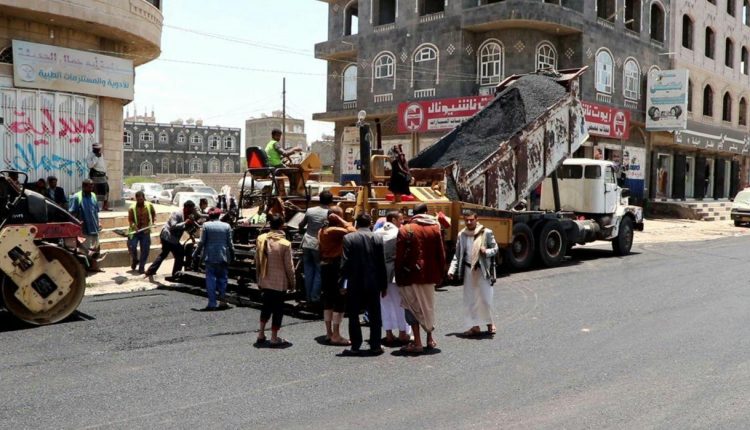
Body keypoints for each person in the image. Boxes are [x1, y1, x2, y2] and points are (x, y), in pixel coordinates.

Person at [395, 203, 446, 354]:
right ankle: (430, 339)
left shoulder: (405, 229)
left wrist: (398, 276)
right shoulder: (435, 229)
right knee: (427, 307)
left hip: (410, 276)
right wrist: (441, 274)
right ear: (426, 212)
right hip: (430, 276)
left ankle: (417, 342)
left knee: (412, 308)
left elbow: (398, 257)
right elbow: (441, 255)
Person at [340, 213, 388, 356]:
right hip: (373, 282)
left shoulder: (348, 238)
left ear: (356, 223)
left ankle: (355, 345)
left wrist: (342, 283)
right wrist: (384, 285)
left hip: (355, 282)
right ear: (370, 223)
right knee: (375, 314)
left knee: (353, 315)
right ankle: (375, 345)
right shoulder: (378, 238)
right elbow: (382, 264)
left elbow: (345, 263)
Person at [447, 210, 499, 337]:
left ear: (476, 219)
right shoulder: (462, 235)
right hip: (468, 270)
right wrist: (451, 270)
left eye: (471, 219)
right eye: (466, 220)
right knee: (470, 299)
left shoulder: (486, 232)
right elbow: (458, 254)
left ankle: (489, 323)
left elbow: (496, 249)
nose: (469, 222)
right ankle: (475, 326)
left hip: (482, 270)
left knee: (486, 298)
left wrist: (486, 251)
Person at [255, 214, 295, 347]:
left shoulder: (261, 239)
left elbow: (257, 261)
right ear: (282, 225)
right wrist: (292, 282)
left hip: (264, 278)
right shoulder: (285, 244)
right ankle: (274, 337)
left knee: (266, 306)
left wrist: (258, 278)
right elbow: (289, 266)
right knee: (278, 309)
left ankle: (261, 333)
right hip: (280, 282)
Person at [318, 206, 356, 346]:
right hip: (336, 267)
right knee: (340, 300)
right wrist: (340, 219)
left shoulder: (323, 230)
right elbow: (353, 232)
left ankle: (329, 333)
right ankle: (336, 334)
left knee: (328, 299)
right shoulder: (335, 230)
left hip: (326, 266)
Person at [374, 211, 412, 346]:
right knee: (400, 303)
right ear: (394, 220)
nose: (402, 222)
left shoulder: (376, 233)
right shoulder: (399, 233)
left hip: (379, 274)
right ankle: (403, 333)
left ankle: (388, 334)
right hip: (395, 273)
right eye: (401, 220)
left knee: (384, 304)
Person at [192, 208, 235, 311]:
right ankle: (222, 300)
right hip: (223, 256)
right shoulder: (226, 226)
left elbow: (201, 242)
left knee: (210, 279)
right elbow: (230, 244)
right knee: (223, 279)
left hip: (210, 257)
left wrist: (195, 254)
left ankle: (212, 303)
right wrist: (233, 255)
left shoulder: (206, 226)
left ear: (210, 216)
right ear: (219, 216)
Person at [145, 200, 198, 280]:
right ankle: (176, 274)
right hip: (167, 236)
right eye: (190, 209)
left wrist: (191, 234)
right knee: (179, 254)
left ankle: (151, 270)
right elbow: (173, 226)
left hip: (174, 239)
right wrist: (185, 223)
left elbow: (186, 228)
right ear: (186, 208)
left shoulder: (187, 215)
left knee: (164, 254)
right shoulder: (177, 213)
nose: (191, 211)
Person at [298, 190, 333, 305]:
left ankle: (308, 297)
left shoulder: (310, 210)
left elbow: (301, 225)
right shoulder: (330, 213)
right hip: (318, 244)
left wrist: (302, 230)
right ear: (331, 201)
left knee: (308, 271)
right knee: (318, 271)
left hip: (307, 243)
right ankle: (315, 297)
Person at [69, 179, 102, 271]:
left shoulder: (94, 196)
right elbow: (72, 214)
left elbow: (95, 211)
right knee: (84, 250)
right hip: (84, 230)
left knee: (95, 249)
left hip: (94, 228)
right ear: (84, 186)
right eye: (89, 186)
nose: (91, 188)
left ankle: (94, 267)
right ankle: (84, 270)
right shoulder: (76, 197)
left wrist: (99, 222)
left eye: (92, 186)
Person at [127, 191, 156, 274]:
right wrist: (134, 226)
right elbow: (130, 219)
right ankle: (135, 260)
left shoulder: (149, 205)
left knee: (145, 250)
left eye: (141, 199)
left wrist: (154, 221)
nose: (140, 201)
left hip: (145, 231)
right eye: (138, 199)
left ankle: (141, 267)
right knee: (132, 246)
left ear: (144, 198)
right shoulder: (132, 208)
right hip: (135, 232)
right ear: (136, 199)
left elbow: (154, 213)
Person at [87, 142, 111, 211]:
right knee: (95, 192)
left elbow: (103, 165)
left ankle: (105, 206)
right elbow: (89, 166)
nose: (98, 150)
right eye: (97, 149)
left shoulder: (101, 155)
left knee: (106, 190)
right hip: (95, 176)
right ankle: (94, 207)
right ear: (93, 149)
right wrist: (96, 158)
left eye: (99, 149)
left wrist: (106, 174)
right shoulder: (90, 155)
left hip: (102, 175)